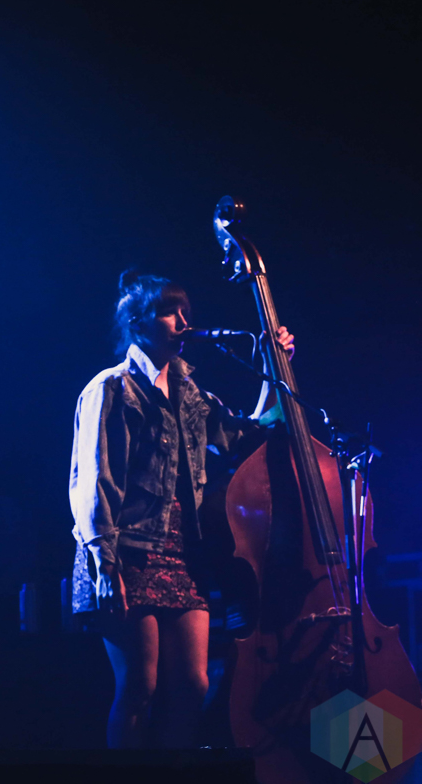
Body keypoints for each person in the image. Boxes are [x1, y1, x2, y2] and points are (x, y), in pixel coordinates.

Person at [68, 271, 294, 749]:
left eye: (185, 311)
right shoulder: (111, 388)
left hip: (183, 554)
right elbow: (93, 481)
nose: (183, 321)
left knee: (193, 685)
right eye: (169, 312)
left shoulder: (191, 394)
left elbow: (248, 432)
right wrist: (104, 563)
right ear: (138, 323)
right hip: (125, 551)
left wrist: (276, 368)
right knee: (139, 686)